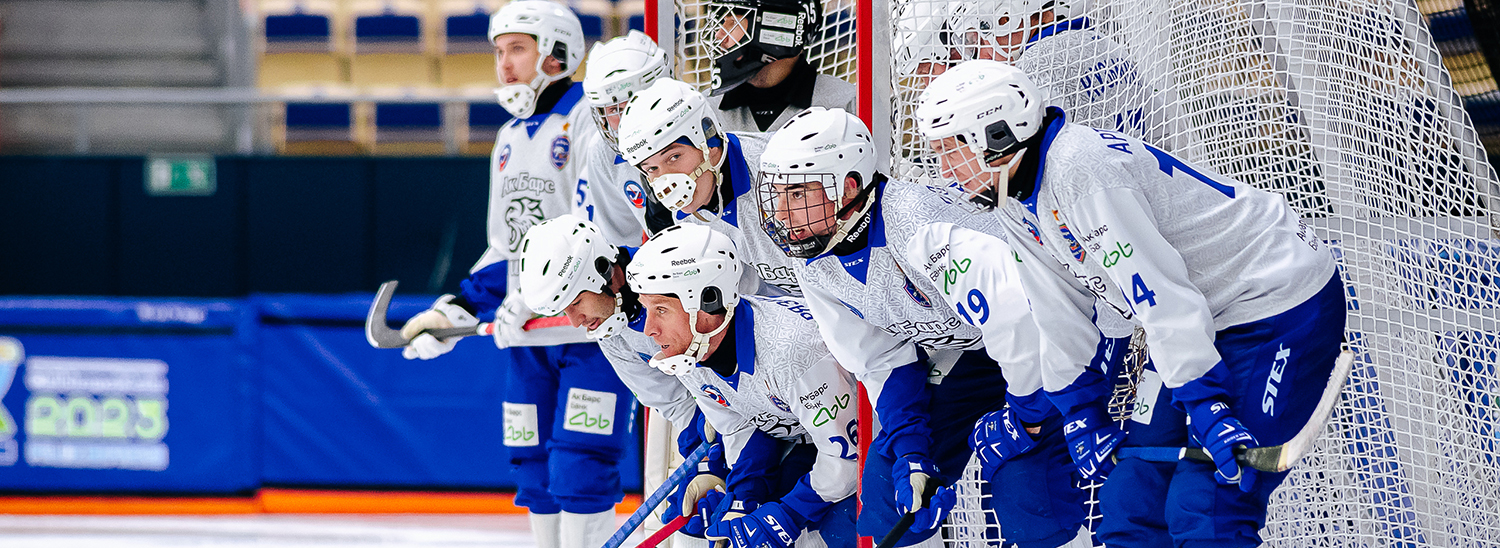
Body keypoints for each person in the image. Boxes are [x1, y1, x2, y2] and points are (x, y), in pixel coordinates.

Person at [917, 60, 1345, 547]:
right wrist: (1080, 410)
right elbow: (1056, 311)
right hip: (1199, 320)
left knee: (1209, 506)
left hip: (1276, 304)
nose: (945, 171)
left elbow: (1160, 297)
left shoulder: (1080, 170)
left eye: (951, 151)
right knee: (1131, 501)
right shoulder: (1011, 196)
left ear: (995, 133)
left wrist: (1206, 405)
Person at [757, 107, 1092, 548]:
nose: (782, 212)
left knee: (1026, 488)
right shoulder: (814, 262)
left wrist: (1024, 417)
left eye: (798, 194)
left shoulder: (918, 225)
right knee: (887, 491)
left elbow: (1018, 318)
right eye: (778, 195)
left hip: (1049, 336)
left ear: (848, 188)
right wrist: (913, 451)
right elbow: (880, 358)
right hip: (967, 354)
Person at [396, 3, 632, 548]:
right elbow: (504, 246)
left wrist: (533, 296)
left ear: (558, 52)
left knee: (580, 462)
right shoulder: (507, 138)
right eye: (499, 51)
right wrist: (456, 308)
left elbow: (596, 231)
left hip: (589, 332)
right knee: (531, 463)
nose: (504, 64)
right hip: (526, 336)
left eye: (518, 49)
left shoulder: (589, 126)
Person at [627, 223, 860, 548]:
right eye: (647, 309)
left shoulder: (793, 351)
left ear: (707, 301)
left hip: (882, 438)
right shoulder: (692, 350)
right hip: (808, 440)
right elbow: (741, 430)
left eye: (661, 310)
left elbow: (848, 458)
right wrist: (741, 498)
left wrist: (788, 514)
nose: (650, 329)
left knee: (832, 531)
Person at [617, 78, 802, 295]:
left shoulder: (783, 170)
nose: (665, 182)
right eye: (652, 169)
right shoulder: (680, 218)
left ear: (709, 142)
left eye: (674, 157)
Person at [944, 0, 1169, 146]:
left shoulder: (1032, 69)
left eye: (980, 39)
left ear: (1006, 19)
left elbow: (1048, 156)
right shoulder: (1097, 40)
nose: (982, 53)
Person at [701, 0, 857, 132]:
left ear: (778, 27)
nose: (719, 35)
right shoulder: (704, 109)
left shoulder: (844, 106)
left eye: (733, 22)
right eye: (722, 21)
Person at [578, 30, 670, 244]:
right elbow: (618, 244)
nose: (624, 118)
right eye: (612, 109)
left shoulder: (699, 120)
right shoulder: (603, 152)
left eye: (631, 103)